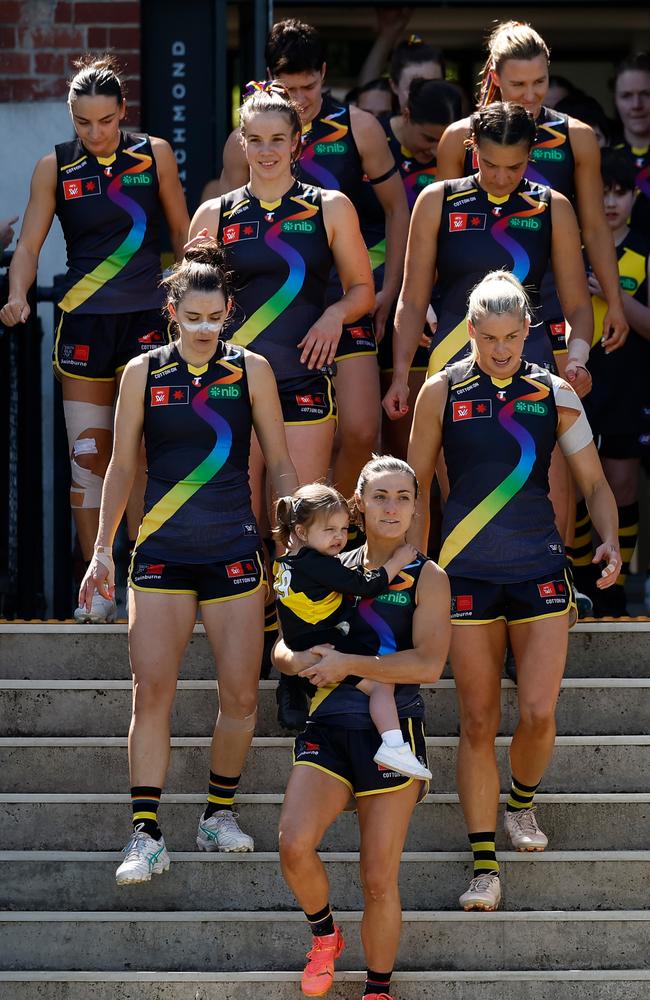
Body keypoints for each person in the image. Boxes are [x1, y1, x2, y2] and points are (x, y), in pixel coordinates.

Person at [77, 240, 298, 884]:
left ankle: (217, 813)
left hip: (233, 552)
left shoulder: (252, 370)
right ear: (172, 311)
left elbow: (279, 462)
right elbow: (121, 466)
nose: (203, 328)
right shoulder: (142, 372)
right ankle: (145, 835)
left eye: (214, 317)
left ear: (228, 311)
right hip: (162, 555)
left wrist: (291, 539)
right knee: (152, 696)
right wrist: (101, 552)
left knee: (241, 698)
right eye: (191, 316)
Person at [407, 271, 621, 912]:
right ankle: (483, 867)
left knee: (537, 713)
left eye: (512, 337)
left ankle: (520, 804)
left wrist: (607, 540)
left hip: (539, 570)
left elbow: (595, 484)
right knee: (476, 720)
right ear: (468, 330)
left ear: (530, 330)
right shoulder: (440, 390)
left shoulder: (554, 392)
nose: (500, 349)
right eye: (489, 337)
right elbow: (414, 485)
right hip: (466, 575)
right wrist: (411, 570)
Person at [189, 80, 374, 728]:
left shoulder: (330, 206)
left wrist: (331, 315)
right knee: (245, 527)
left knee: (300, 529)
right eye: (255, 139)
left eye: (278, 139)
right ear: (241, 143)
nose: (266, 151)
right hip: (231, 398)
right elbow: (191, 312)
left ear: (298, 143)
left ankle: (301, 664)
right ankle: (265, 656)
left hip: (302, 382)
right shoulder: (213, 216)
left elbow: (362, 288)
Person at [0, 55, 189, 622]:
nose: (96, 133)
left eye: (105, 121)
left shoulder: (154, 154)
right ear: (71, 118)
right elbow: (30, 244)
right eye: (84, 123)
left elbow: (181, 235)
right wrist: (16, 293)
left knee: (146, 455)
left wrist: (197, 301)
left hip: (148, 325)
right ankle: (97, 586)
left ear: (123, 112)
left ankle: (143, 579)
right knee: (89, 457)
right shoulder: (52, 167)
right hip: (82, 324)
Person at [274, 455, 450, 1000]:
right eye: (380, 496)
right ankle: (324, 935)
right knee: (293, 844)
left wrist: (349, 664)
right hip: (327, 723)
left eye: (403, 496)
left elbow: (427, 666)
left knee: (378, 879)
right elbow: (283, 644)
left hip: (390, 731)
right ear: (359, 505)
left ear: (417, 505)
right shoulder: (327, 558)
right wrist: (290, 660)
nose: (392, 506)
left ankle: (377, 989)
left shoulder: (428, 576)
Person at [213, 18, 410, 501]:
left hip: (343, 298)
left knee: (362, 431)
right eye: (288, 87)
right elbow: (224, 222)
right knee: (260, 453)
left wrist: (391, 292)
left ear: (324, 74)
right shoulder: (250, 136)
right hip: (273, 311)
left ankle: (333, 524)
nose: (299, 99)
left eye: (309, 86)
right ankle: (286, 537)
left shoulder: (358, 127)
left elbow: (398, 210)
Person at [383, 102, 594, 419]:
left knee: (541, 469)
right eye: (490, 163)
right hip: (453, 356)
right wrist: (401, 375)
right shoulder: (436, 200)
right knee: (456, 469)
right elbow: (412, 299)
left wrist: (577, 358)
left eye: (514, 167)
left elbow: (577, 305)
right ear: (472, 147)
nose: (500, 177)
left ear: (530, 156)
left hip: (531, 358)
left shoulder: (553, 206)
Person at [436, 21, 628, 361]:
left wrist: (614, 301)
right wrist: (424, 303)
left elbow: (596, 227)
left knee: (549, 408)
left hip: (552, 300)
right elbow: (439, 231)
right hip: (470, 307)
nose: (530, 95)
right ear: (495, 78)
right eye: (518, 84)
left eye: (540, 82)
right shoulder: (459, 138)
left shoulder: (577, 136)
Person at [273, 483, 430, 779]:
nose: (339, 537)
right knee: (381, 685)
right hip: (324, 646)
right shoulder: (318, 563)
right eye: (329, 530)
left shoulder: (289, 561)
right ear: (302, 531)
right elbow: (365, 585)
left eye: (344, 529)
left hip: (306, 643)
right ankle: (394, 745)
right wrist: (397, 562)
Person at [573, 150, 650, 617]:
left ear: (635, 196)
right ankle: (582, 578)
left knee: (621, 485)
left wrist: (614, 294)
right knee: (577, 484)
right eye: (602, 192)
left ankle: (614, 585)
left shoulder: (644, 249)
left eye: (620, 193)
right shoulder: (573, 244)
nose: (610, 202)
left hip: (630, 379)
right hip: (580, 374)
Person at [367, 77, 460, 459]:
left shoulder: (458, 154)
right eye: (427, 138)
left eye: (445, 141)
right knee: (380, 441)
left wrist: (420, 296)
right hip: (367, 298)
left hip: (426, 301)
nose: (435, 150)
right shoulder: (373, 144)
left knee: (421, 444)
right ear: (405, 114)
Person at [612, 52, 650, 235]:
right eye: (626, 96)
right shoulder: (603, 157)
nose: (636, 105)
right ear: (615, 100)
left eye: (646, 94)